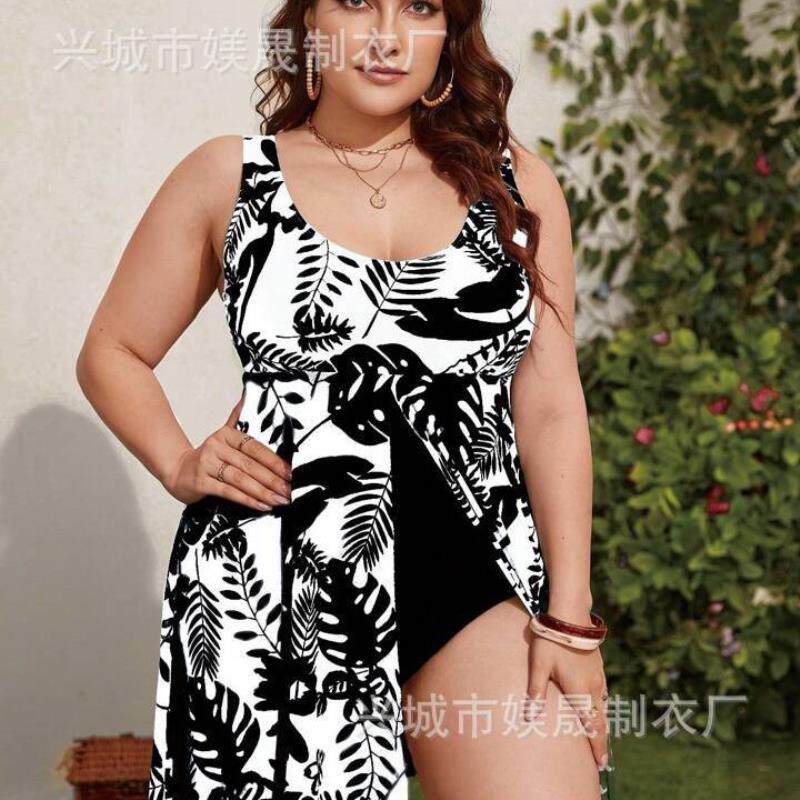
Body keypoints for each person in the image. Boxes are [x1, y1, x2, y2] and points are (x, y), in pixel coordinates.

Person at [76, 1, 610, 797]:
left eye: (419, 6)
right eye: (357, 1)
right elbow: (113, 351)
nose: (388, 35)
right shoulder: (230, 176)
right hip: (276, 578)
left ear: (448, 32)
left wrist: (570, 616)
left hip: (474, 567)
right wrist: (179, 461)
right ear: (309, 23)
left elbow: (551, 402)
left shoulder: (514, 184)